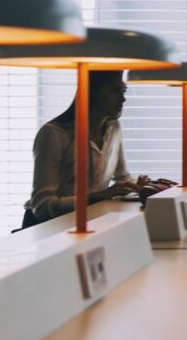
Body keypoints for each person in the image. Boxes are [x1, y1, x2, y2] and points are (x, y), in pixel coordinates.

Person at [23, 71, 144, 227]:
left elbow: (122, 177)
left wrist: (140, 185)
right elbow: (42, 206)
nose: (123, 99)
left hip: (91, 221)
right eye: (114, 90)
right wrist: (102, 196)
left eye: (123, 91)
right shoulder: (54, 134)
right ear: (92, 91)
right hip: (49, 227)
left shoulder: (113, 128)